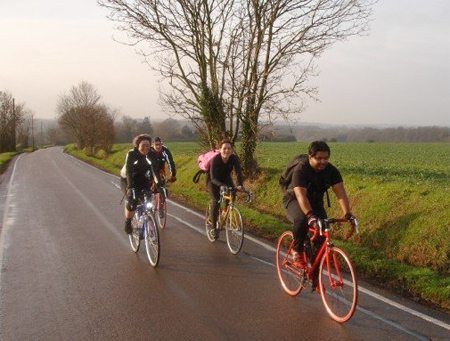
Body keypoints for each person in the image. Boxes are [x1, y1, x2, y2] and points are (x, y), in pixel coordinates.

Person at [284, 141, 356, 287]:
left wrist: (347, 213)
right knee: (302, 219)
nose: (323, 161)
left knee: (321, 240)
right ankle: (297, 251)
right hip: (294, 200)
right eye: (319, 158)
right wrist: (310, 216)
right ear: (310, 157)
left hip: (316, 203)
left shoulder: (331, 171)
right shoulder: (301, 170)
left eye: (326, 158)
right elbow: (301, 196)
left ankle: (315, 279)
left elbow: (340, 193)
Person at [120, 134, 161, 234]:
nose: (146, 148)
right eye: (143, 145)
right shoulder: (131, 154)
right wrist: (130, 187)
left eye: (148, 145)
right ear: (137, 145)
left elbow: (155, 170)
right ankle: (128, 222)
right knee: (132, 201)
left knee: (148, 201)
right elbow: (129, 171)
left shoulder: (151, 154)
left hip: (142, 178)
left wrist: (159, 184)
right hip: (128, 179)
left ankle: (148, 223)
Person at [207, 138, 244, 239]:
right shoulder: (216, 159)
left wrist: (240, 184)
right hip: (213, 180)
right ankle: (214, 228)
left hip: (226, 179)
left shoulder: (234, 158)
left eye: (229, 148)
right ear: (220, 149)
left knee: (232, 193)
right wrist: (221, 186)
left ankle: (224, 212)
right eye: (224, 148)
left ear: (231, 150)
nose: (227, 150)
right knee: (216, 200)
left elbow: (238, 172)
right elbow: (213, 177)